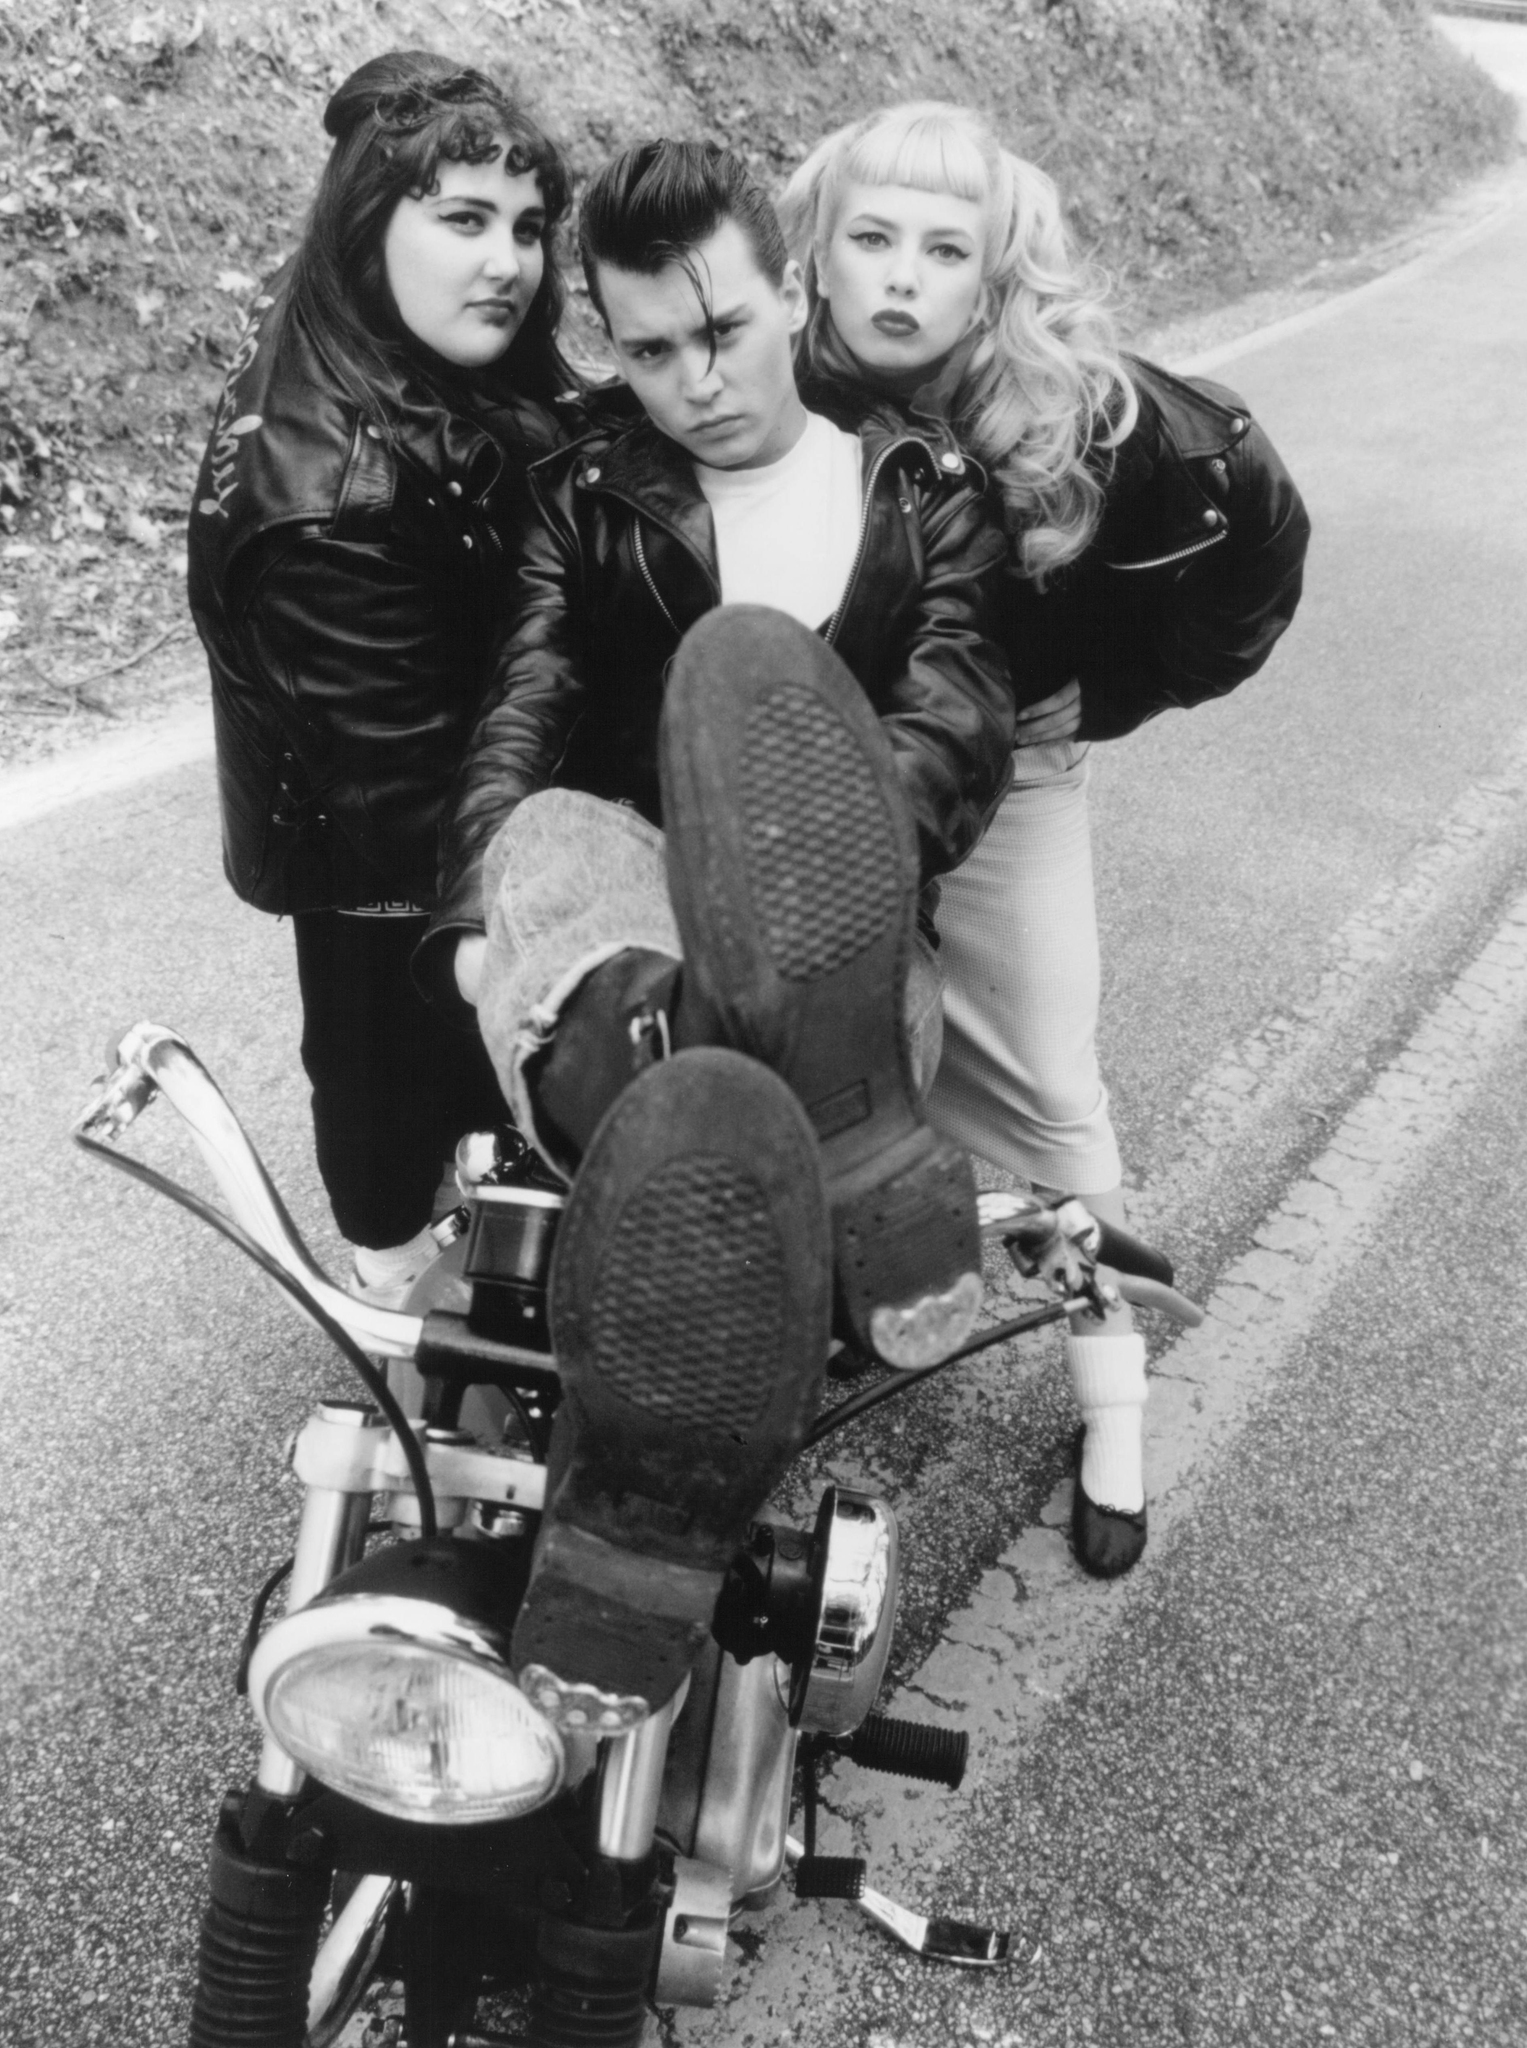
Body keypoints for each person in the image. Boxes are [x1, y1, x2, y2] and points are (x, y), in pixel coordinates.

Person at [418, 139, 1017, 1713]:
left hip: (852, 945)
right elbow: (525, 710)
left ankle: (744, 1059)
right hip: (626, 922)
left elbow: (951, 723)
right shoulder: (589, 488)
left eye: (726, 330)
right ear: (608, 342)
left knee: (774, 783)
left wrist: (788, 849)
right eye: (650, 348)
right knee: (553, 834)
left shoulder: (920, 493)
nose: (694, 381)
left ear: (792, 290)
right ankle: (697, 1071)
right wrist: (478, 905)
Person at [779, 102, 1310, 1578]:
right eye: (868, 240)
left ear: (992, 273)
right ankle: (828, 1317)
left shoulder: (1085, 409)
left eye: (940, 250)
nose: (898, 277)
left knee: (1048, 1095)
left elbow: (1257, 535)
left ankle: (1112, 1395)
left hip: (1008, 784)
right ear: (812, 254)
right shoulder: (770, 381)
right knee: (816, 1064)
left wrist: (1118, 690)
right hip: (815, 778)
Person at [187, 52, 577, 1306]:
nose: (507, 261)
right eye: (462, 220)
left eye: (524, 226)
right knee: (382, 1054)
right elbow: (418, 813)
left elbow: (538, 434)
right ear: (373, 222)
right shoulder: (325, 509)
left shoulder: (364, 326)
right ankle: (398, 1281)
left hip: (422, 773)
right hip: (369, 847)